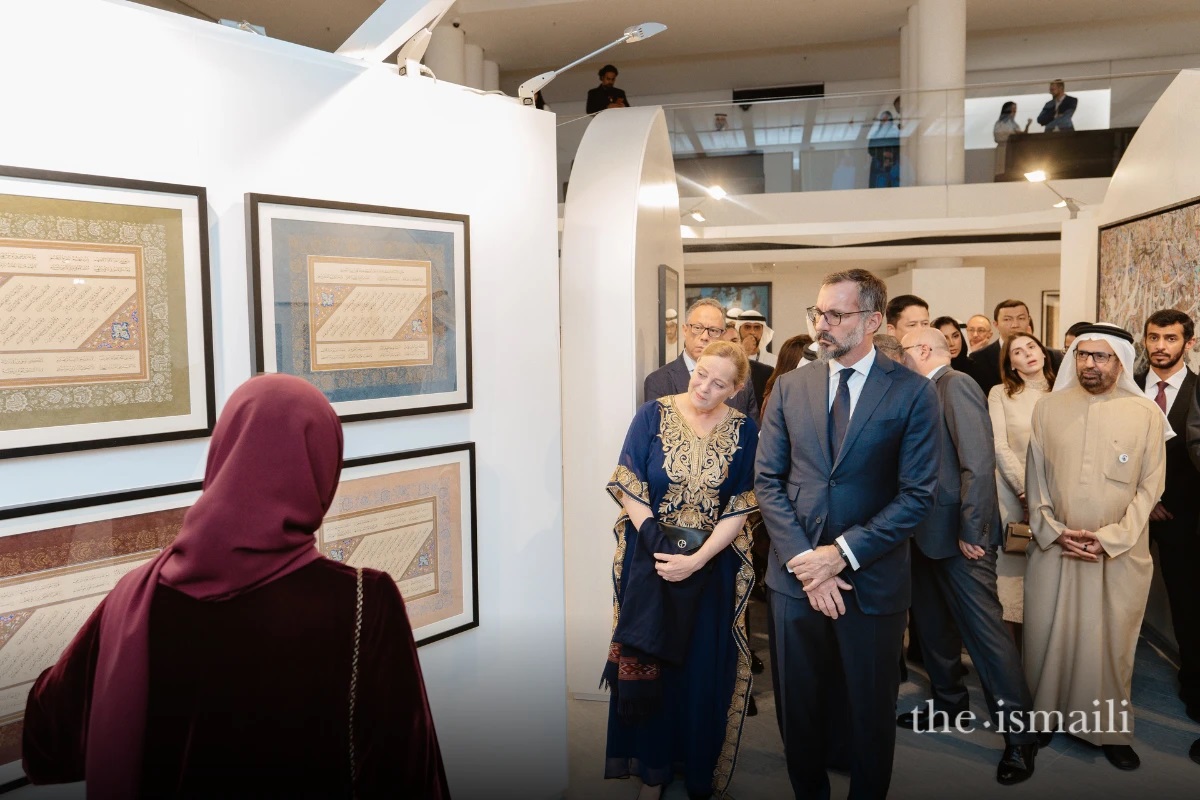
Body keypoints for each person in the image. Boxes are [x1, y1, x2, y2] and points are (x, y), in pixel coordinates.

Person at [22, 374, 449, 798]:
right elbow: (409, 778)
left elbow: (46, 745)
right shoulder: (363, 604)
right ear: (321, 467)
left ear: (223, 454)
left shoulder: (135, 599)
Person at [755, 268, 940, 799]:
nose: (822, 325)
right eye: (818, 313)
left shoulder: (911, 392)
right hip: (795, 581)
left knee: (869, 712)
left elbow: (917, 496)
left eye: (836, 315)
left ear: (873, 320)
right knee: (798, 710)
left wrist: (840, 555)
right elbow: (767, 481)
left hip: (871, 581)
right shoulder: (792, 387)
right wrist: (807, 564)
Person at [603, 340, 759, 800]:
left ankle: (695, 769)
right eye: (701, 374)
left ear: (736, 389)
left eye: (719, 383)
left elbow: (740, 505)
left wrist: (698, 558)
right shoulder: (652, 413)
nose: (705, 387)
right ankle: (651, 769)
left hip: (711, 567)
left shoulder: (745, 429)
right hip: (649, 559)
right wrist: (656, 542)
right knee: (650, 658)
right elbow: (628, 482)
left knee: (701, 665)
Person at [896, 328, 1038, 785]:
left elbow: (978, 461)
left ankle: (1020, 737)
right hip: (921, 535)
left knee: (986, 635)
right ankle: (948, 705)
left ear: (921, 351)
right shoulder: (922, 390)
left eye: (901, 350)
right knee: (934, 630)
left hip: (961, 539)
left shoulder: (954, 384)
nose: (897, 358)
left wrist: (974, 529)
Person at [1024, 324, 1166, 771]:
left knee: (1111, 643)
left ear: (1119, 361)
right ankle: (1044, 718)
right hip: (1056, 547)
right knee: (1050, 635)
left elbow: (1151, 487)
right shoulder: (1048, 408)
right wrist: (1053, 529)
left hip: (1118, 553)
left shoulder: (1144, 413)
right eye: (1083, 355)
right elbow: (1036, 479)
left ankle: (1109, 730)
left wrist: (1111, 540)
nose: (1090, 364)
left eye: (1101, 357)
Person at [1137, 310, 1200, 722]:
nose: (1161, 346)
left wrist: (1167, 500)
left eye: (1171, 339)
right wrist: (1144, 499)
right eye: (1154, 337)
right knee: (1120, 599)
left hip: (1184, 516)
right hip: (1130, 514)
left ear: (1188, 343)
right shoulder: (1126, 385)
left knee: (1189, 604)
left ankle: (1194, 685)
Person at [987, 333, 1056, 640]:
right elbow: (999, 446)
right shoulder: (1001, 393)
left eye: (1031, 346)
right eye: (1017, 351)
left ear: (1043, 352)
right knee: (1015, 573)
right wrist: (1026, 491)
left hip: (1060, 496)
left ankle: (1047, 654)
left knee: (1053, 570)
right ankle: (1013, 664)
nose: (1027, 353)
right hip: (1016, 496)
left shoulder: (1065, 391)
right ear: (1011, 364)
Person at [645, 298, 759, 422]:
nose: (704, 337)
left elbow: (752, 433)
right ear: (685, 330)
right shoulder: (658, 381)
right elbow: (655, 433)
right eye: (698, 328)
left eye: (713, 331)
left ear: (722, 335)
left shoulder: (740, 380)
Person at [970, 299, 1063, 396]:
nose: (1015, 325)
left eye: (1021, 318)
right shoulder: (978, 359)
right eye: (1007, 319)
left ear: (1029, 320)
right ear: (996, 324)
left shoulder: (1054, 356)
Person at [993, 101, 1031, 176]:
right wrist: (1012, 133)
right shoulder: (999, 124)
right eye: (1013, 109)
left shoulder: (1014, 124)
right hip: (1003, 149)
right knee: (1002, 172)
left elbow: (1021, 135)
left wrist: (1027, 126)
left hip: (1014, 149)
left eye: (1015, 110)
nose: (1014, 112)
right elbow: (998, 136)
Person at [868, 111, 901, 188]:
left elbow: (900, 148)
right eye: (883, 120)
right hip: (878, 167)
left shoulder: (896, 133)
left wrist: (892, 155)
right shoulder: (875, 135)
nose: (885, 122)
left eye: (887, 120)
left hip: (893, 166)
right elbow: (871, 150)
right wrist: (882, 154)